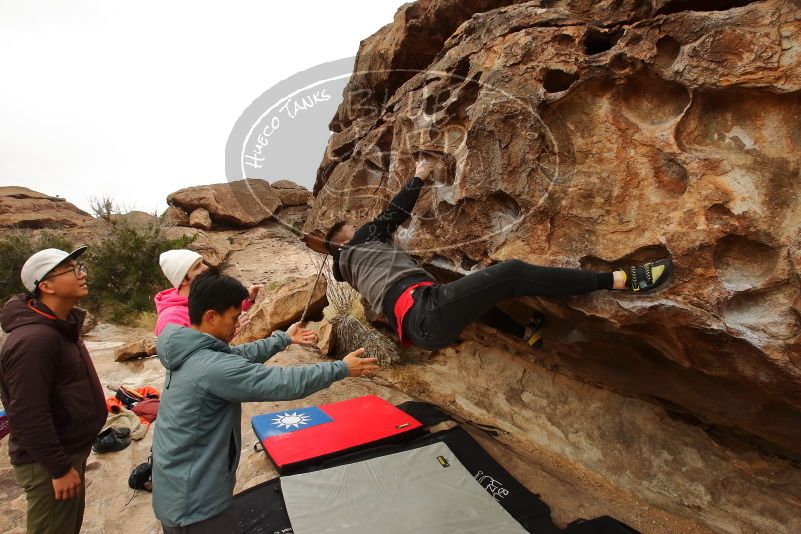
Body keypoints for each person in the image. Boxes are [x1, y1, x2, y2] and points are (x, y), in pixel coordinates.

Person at [325, 157, 674, 351]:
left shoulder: (352, 271)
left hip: (423, 327)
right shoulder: (361, 243)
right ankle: (623, 280)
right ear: (344, 242)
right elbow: (395, 212)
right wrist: (418, 175)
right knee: (511, 274)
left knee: (477, 296)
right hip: (424, 314)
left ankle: (527, 334)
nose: (359, 229)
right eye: (351, 230)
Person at [151, 268, 378, 532]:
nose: (238, 325)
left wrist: (282, 339)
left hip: (180, 487)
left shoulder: (185, 346)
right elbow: (284, 383)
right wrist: (340, 368)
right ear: (211, 316)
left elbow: (235, 356)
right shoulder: (210, 367)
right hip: (196, 506)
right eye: (234, 318)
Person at [0, 247, 107, 534]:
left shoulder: (60, 324)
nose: (82, 274)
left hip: (69, 452)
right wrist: (58, 469)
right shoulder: (33, 339)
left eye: (79, 266)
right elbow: (26, 414)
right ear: (45, 286)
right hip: (49, 463)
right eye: (72, 270)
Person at [154, 249, 262, 336]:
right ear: (182, 280)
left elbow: (223, 310)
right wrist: (228, 335)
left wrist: (248, 299)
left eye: (202, 263)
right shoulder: (171, 319)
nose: (206, 267)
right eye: (197, 267)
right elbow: (186, 356)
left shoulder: (205, 295)